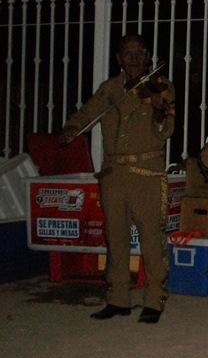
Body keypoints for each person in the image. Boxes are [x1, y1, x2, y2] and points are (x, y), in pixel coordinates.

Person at [58, 34, 175, 324]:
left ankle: (154, 298)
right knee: (116, 237)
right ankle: (118, 297)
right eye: (128, 53)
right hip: (113, 173)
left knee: (151, 237)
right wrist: (72, 127)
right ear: (119, 58)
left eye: (140, 53)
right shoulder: (109, 89)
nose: (134, 59)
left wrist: (159, 109)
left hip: (145, 172)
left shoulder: (159, 85)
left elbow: (165, 127)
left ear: (147, 57)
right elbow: (88, 113)